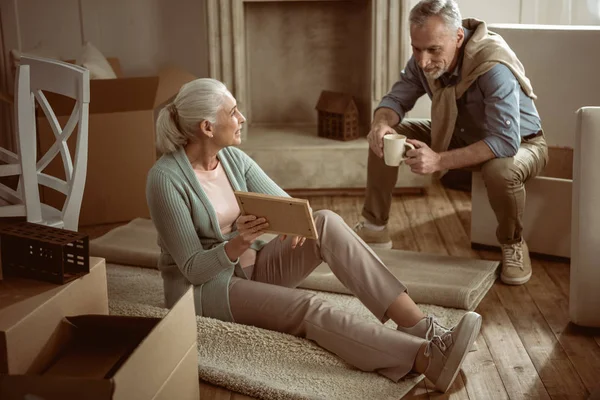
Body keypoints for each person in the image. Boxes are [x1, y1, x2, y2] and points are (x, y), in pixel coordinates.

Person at [146, 77, 481, 392]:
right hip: (206, 291)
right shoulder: (165, 179)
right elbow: (192, 269)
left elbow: (291, 210)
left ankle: (420, 326)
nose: (242, 117)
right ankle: (425, 358)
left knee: (324, 221)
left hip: (253, 268)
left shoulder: (232, 158)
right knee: (310, 306)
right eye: (233, 112)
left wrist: (296, 226)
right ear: (207, 127)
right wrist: (239, 242)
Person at [354, 0, 548, 286]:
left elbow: (504, 142)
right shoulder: (425, 59)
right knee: (389, 136)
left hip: (523, 143)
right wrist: (381, 123)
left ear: (458, 37)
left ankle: (513, 244)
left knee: (500, 170)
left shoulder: (492, 66)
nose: (422, 60)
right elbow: (396, 99)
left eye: (433, 49)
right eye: (416, 48)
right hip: (462, 134)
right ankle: (374, 226)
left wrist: (439, 160)